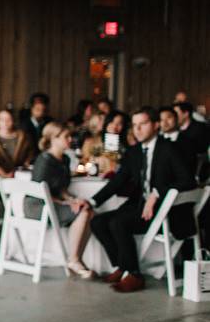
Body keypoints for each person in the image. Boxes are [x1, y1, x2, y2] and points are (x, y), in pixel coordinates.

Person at [88, 107, 196, 293]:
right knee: (98, 221)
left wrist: (157, 193)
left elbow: (188, 180)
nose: (137, 129)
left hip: (167, 212)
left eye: (143, 124)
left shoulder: (169, 148)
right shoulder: (134, 151)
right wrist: (91, 201)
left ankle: (135, 275)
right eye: (135, 125)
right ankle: (123, 267)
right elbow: (117, 182)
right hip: (141, 207)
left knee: (118, 222)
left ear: (155, 125)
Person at [26, 123, 95, 279]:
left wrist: (73, 199)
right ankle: (74, 259)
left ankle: (76, 258)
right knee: (83, 213)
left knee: (89, 210)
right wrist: (68, 204)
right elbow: (41, 193)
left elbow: (62, 189)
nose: (70, 139)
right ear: (53, 139)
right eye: (66, 137)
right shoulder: (44, 160)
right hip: (38, 206)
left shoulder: (64, 159)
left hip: (54, 202)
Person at [0, 108, 35, 178]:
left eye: (9, 120)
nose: (5, 123)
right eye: (2, 120)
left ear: (13, 121)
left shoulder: (24, 138)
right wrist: (4, 175)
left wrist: (20, 173)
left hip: (21, 175)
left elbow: (29, 157)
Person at [174, 100, 210, 177]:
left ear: (186, 114)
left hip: (196, 168)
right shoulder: (175, 129)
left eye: (176, 113)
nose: (174, 117)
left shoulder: (201, 128)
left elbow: (203, 151)